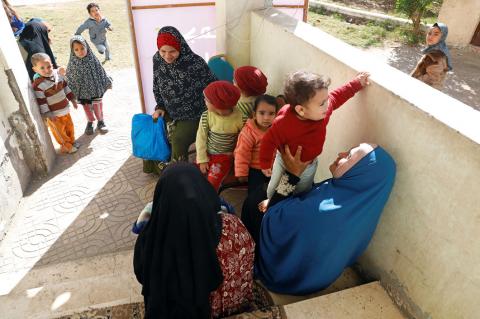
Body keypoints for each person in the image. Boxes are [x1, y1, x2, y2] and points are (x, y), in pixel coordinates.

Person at [242, 143, 396, 294]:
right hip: (320, 278)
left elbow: (274, 216)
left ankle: (249, 254)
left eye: (348, 156)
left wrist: (292, 174)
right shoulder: (362, 206)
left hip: (287, 277)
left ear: (361, 174)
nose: (341, 154)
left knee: (255, 200)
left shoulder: (322, 211)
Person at [133, 163, 255, 318]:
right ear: (204, 189)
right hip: (216, 308)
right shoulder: (233, 228)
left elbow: (141, 274)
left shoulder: (149, 236)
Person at [259, 71, 370, 209]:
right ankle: (271, 204)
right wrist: (264, 162)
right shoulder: (283, 123)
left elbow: (338, 95)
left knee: (302, 192)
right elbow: (268, 141)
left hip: (308, 165)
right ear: (301, 110)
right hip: (283, 160)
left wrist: (356, 84)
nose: (328, 104)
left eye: (326, 99)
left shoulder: (323, 111)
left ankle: (291, 210)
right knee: (273, 189)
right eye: (322, 103)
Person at [145, 26, 216, 174]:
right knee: (152, 129)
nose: (167, 56)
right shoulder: (157, 60)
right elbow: (156, 86)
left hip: (195, 113)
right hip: (169, 110)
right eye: (163, 51)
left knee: (178, 138)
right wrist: (159, 107)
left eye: (172, 51)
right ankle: (161, 166)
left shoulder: (195, 63)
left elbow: (213, 87)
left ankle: (179, 175)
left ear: (180, 47)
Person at [196, 81, 247, 192]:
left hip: (224, 156)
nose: (204, 101)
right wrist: (202, 159)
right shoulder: (206, 115)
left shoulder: (241, 117)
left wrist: (234, 154)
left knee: (212, 180)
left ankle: (209, 200)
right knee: (193, 175)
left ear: (217, 104)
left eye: (207, 100)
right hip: (208, 153)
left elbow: (244, 141)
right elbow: (201, 138)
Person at [31, 53, 79, 154]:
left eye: (49, 66)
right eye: (42, 68)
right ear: (35, 69)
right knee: (59, 132)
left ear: (52, 65)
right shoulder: (38, 85)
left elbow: (65, 87)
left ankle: (72, 141)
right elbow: (41, 101)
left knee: (69, 126)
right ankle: (66, 146)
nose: (47, 70)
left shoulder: (58, 76)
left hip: (65, 109)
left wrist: (72, 100)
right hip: (54, 115)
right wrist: (48, 114)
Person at [66, 35, 112, 135]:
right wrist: (71, 92)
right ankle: (90, 122)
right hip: (83, 93)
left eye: (82, 48)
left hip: (95, 89)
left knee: (97, 106)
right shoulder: (72, 64)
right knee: (87, 108)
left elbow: (101, 71)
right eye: (76, 49)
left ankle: (101, 121)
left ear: (87, 47)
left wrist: (107, 81)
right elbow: (69, 78)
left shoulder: (93, 60)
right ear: (72, 51)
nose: (80, 51)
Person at [234, 94, 278, 194]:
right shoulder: (248, 132)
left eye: (271, 113)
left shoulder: (276, 129)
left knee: (277, 191)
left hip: (274, 167)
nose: (266, 118)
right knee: (255, 194)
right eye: (262, 113)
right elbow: (241, 153)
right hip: (255, 169)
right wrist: (242, 173)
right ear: (254, 114)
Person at [411, 22, 452, 90]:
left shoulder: (437, 56)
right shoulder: (435, 50)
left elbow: (431, 80)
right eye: (429, 33)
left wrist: (412, 83)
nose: (430, 37)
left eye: (436, 34)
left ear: (442, 37)